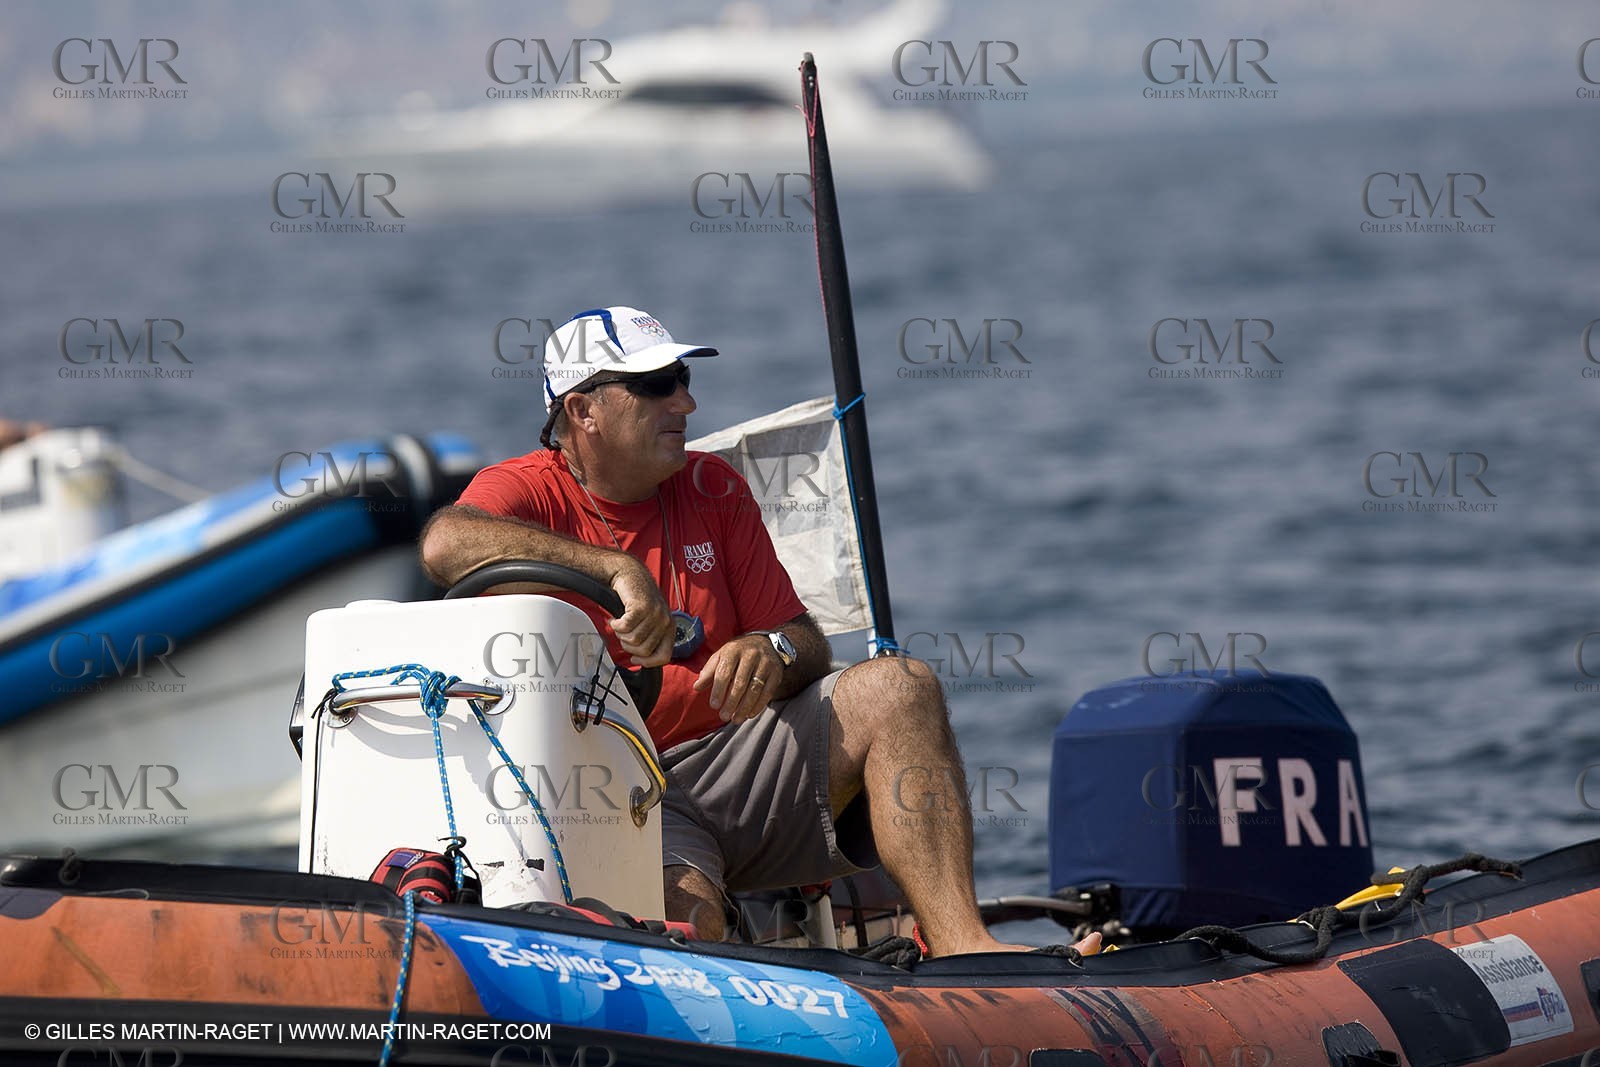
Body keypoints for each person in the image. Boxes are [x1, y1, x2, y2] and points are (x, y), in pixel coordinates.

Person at [419, 306, 1100, 958]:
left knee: (900, 685)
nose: (685, 403)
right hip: (613, 790)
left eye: (685, 380)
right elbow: (444, 543)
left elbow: (805, 638)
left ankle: (961, 943)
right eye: (658, 384)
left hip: (738, 763)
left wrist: (771, 651)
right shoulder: (522, 489)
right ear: (582, 409)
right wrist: (615, 568)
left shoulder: (714, 486)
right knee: (689, 924)